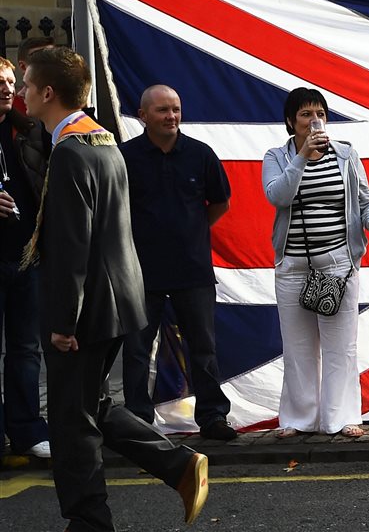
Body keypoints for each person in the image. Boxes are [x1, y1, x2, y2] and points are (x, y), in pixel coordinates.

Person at [22, 46, 207, 531]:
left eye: (25, 84)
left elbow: (70, 246)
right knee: (90, 406)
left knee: (71, 421)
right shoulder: (104, 140)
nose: (20, 94)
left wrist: (63, 321)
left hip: (86, 309)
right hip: (119, 299)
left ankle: (89, 521)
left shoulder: (68, 152)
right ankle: (178, 465)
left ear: (47, 92)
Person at [262, 87, 369, 439]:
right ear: (291, 122)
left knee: (340, 345)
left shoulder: (345, 155)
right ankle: (298, 419)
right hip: (293, 265)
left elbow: (366, 200)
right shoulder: (277, 157)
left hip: (337, 263)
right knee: (298, 345)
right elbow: (278, 195)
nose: (314, 120)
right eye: (305, 114)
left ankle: (341, 417)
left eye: (319, 112)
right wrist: (301, 157)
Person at [120, 85, 236, 440]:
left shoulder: (200, 154)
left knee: (203, 348)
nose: (171, 116)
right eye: (162, 111)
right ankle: (139, 420)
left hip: (192, 269)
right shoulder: (124, 157)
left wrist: (191, 233)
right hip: (141, 272)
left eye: (175, 109)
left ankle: (213, 417)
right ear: (142, 116)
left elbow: (220, 202)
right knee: (137, 351)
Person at [0, 55, 51, 461]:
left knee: (25, 349)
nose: (5, 88)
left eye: (9, 80)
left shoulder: (28, 132)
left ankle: (26, 430)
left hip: (24, 257)